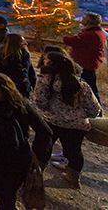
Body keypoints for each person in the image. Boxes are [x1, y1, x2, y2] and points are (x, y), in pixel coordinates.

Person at [0, 73, 52, 210]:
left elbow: (45, 131)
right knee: (4, 193)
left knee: (6, 196)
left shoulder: (19, 105)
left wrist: (38, 157)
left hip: (15, 158)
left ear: (5, 89)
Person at [32, 51, 101, 188]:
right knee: (74, 151)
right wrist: (81, 116)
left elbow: (40, 103)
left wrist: (50, 110)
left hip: (52, 121)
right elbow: (94, 109)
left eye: (45, 60)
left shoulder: (45, 81)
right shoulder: (82, 84)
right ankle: (73, 179)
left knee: (42, 148)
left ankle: (35, 176)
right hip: (77, 125)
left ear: (50, 64)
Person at [63, 12, 106, 102]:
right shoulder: (96, 32)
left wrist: (66, 36)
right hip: (88, 63)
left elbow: (71, 41)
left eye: (84, 18)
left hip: (85, 64)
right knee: (88, 86)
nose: (82, 19)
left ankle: (95, 107)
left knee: (89, 87)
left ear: (89, 21)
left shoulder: (90, 34)